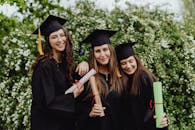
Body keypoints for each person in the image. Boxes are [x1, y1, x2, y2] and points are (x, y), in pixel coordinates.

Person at [31, 15, 89, 130]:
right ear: (48, 41)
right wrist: (73, 95)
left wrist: (84, 63)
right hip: (47, 125)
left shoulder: (65, 63)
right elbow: (48, 103)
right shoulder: (45, 66)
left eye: (62, 35)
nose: (60, 40)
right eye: (54, 37)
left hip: (63, 124)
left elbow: (74, 79)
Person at [76, 29, 123, 130]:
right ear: (93, 54)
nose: (102, 55)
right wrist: (90, 113)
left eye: (105, 49)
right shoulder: (87, 78)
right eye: (97, 51)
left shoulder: (120, 75)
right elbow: (77, 109)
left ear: (111, 50)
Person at [115, 42, 168, 130]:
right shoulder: (122, 80)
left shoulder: (144, 77)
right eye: (123, 63)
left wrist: (161, 117)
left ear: (136, 60)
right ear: (119, 66)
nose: (128, 66)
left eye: (131, 61)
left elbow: (155, 103)